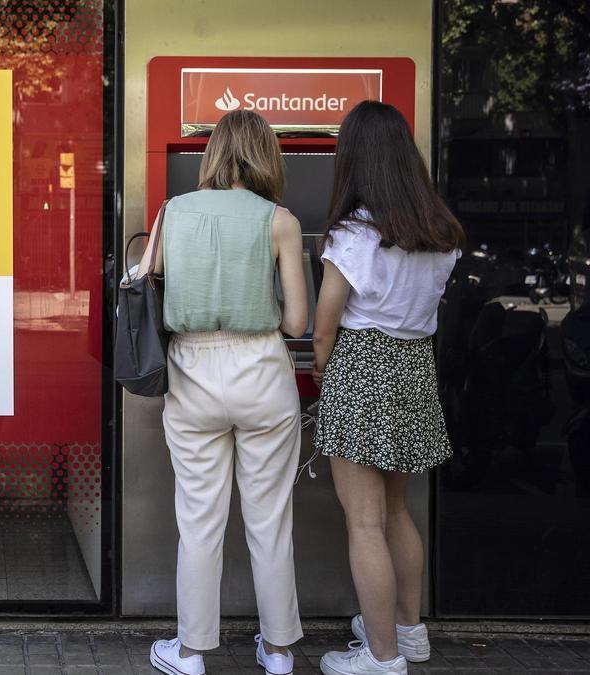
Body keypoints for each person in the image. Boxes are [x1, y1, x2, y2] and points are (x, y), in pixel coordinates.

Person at [147, 109, 308, 675]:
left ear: (212, 153)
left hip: (192, 371)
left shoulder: (173, 212)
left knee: (198, 522)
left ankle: (191, 652)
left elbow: (148, 284)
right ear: (266, 154)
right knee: (269, 521)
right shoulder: (280, 221)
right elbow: (296, 323)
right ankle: (280, 650)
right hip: (262, 371)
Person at [312, 100, 463, 675]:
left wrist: (327, 371)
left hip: (362, 365)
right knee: (397, 512)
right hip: (413, 367)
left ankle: (381, 658)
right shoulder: (439, 232)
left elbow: (325, 325)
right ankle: (409, 630)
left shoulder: (356, 232)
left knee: (365, 521)